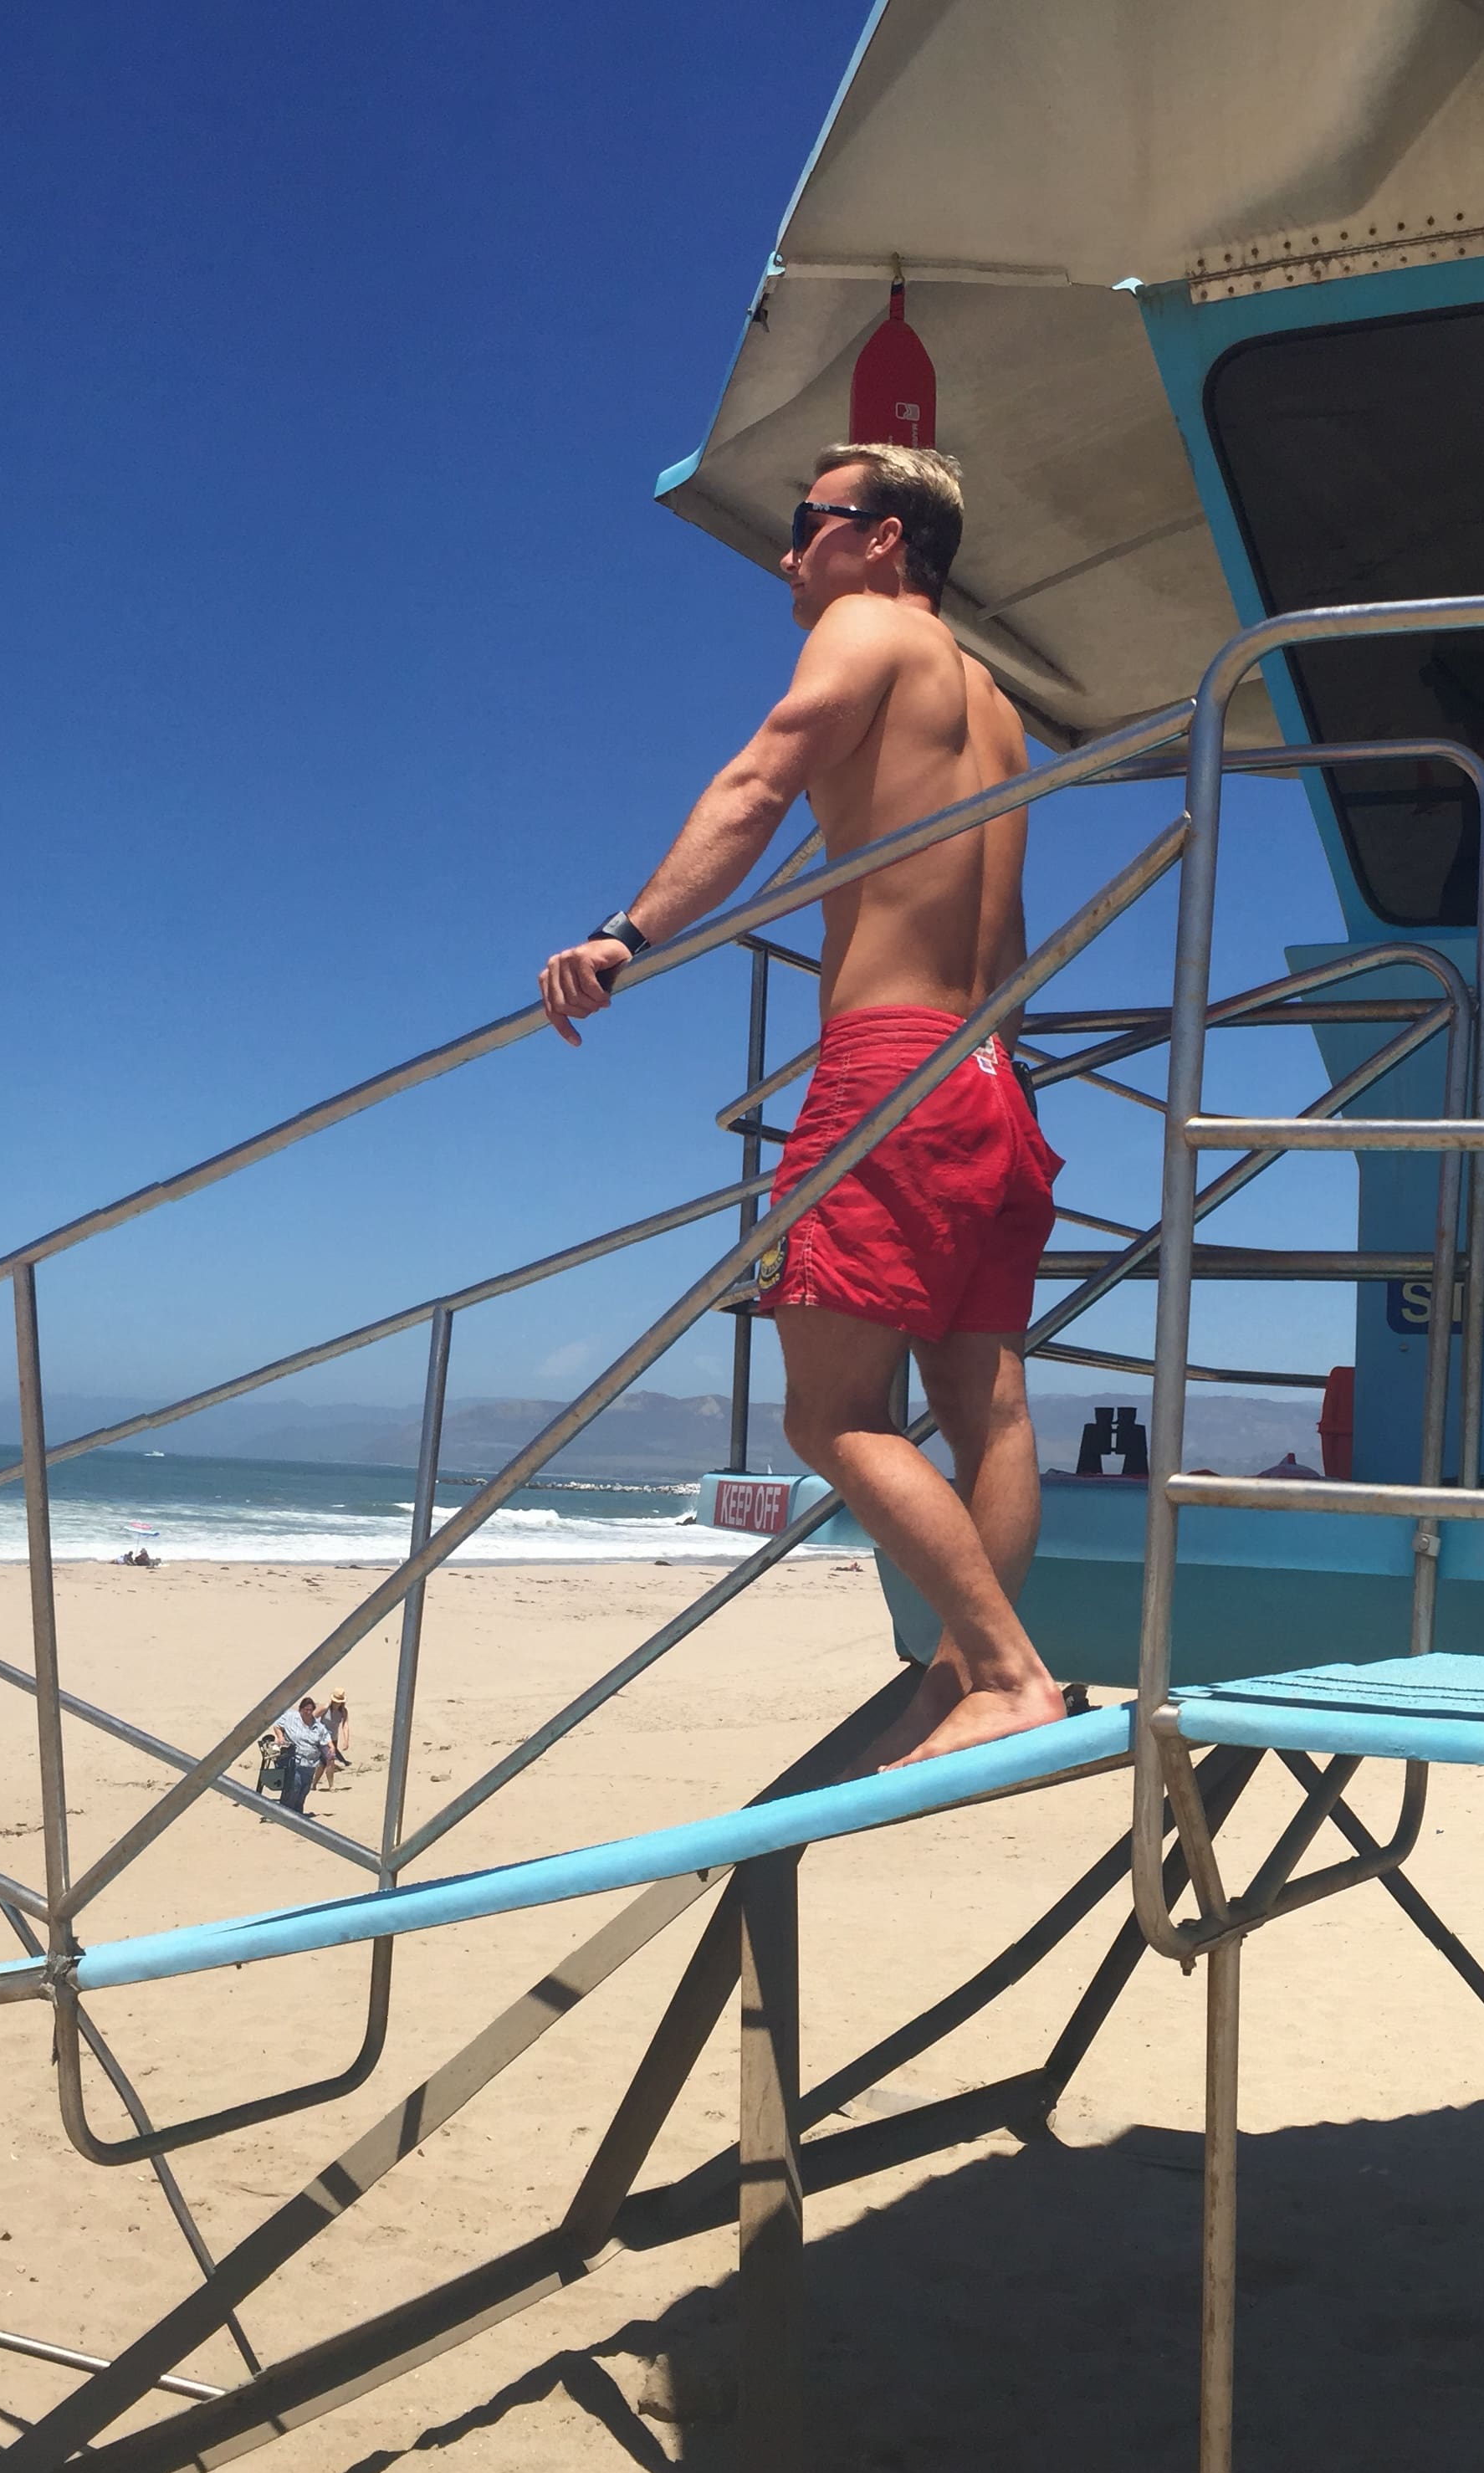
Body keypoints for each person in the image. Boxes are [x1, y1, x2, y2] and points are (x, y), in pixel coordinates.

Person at [536, 440, 1065, 1765]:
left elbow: (763, 778)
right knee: (986, 1404)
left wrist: (628, 934)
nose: (789, 554)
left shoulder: (866, 628)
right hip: (995, 1076)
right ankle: (961, 1684)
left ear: (886, 539)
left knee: (828, 1416)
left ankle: (1005, 1672)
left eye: (808, 523)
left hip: (890, 1064)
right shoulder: (992, 698)